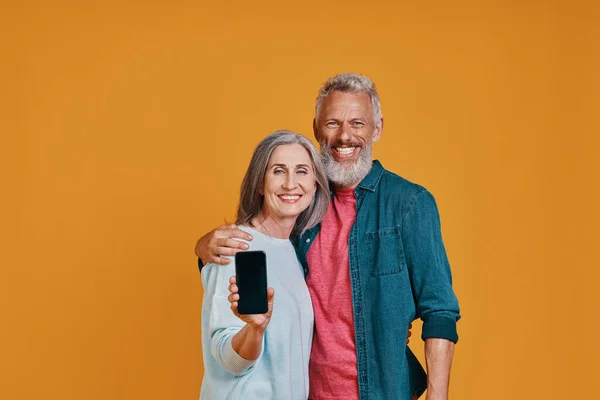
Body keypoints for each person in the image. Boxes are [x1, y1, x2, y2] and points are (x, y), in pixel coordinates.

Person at [196, 73, 461, 400]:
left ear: (376, 128)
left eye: (358, 123)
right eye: (333, 123)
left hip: (381, 392)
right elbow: (253, 251)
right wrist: (205, 246)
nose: (345, 135)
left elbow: (441, 313)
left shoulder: (409, 204)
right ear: (317, 128)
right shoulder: (303, 208)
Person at [199, 130, 330, 400]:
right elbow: (229, 360)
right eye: (279, 171)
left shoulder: (292, 251)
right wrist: (254, 330)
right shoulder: (236, 247)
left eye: (302, 171)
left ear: (315, 184)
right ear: (260, 183)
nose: (291, 184)